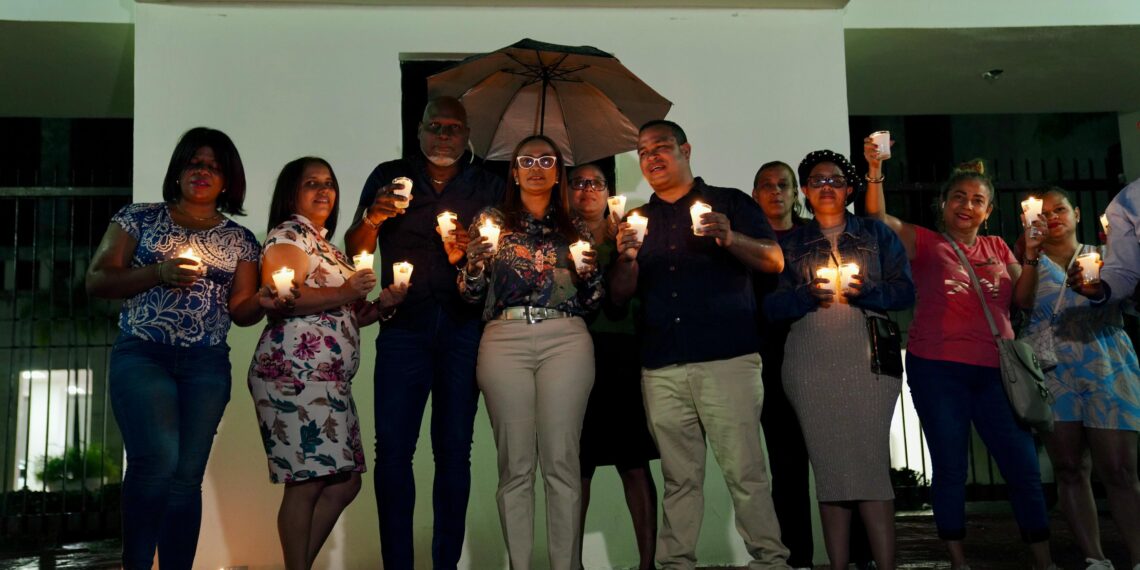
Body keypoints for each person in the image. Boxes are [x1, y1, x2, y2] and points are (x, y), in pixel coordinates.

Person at [861, 139, 1056, 570]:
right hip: (938, 371)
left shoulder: (999, 248)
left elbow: (1023, 300)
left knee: (1023, 467)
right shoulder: (925, 242)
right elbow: (877, 220)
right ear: (944, 203)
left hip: (997, 373)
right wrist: (875, 168)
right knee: (950, 466)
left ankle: (1044, 559)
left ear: (988, 211)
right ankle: (957, 559)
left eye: (977, 200)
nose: (967, 206)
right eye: (959, 197)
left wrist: (1032, 255)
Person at [609, 120, 790, 569]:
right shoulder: (637, 219)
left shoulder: (731, 203)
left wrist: (730, 237)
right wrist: (627, 258)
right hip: (662, 365)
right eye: (643, 151)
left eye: (661, 147)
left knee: (746, 471)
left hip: (728, 357)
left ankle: (770, 559)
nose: (651, 157)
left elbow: (774, 260)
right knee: (678, 478)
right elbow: (619, 297)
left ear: (685, 150)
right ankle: (676, 563)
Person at [85, 127, 264, 569]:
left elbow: (242, 310)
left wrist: (268, 299)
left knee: (186, 478)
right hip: (144, 354)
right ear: (179, 169)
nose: (203, 172)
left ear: (228, 179)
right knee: (156, 460)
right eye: (195, 162)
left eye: (214, 166)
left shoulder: (241, 239)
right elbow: (98, 280)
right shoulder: (139, 218)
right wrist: (158, 272)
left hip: (206, 363)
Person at [344, 97, 504, 569]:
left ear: (468, 134)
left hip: (463, 328)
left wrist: (475, 254)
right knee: (393, 452)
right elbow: (355, 244)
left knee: (454, 452)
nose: (443, 135)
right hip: (403, 329)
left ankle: (444, 564)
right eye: (435, 126)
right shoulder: (390, 176)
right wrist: (373, 217)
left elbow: (503, 260)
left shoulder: (489, 185)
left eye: (453, 127)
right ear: (418, 131)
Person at [248, 157, 408, 570]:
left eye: (329, 183)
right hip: (295, 376)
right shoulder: (289, 235)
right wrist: (346, 292)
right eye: (311, 183)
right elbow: (284, 298)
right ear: (291, 193)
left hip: (329, 381)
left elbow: (345, 313)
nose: (324, 191)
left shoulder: (326, 245)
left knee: (344, 482)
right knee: (307, 483)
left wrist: (382, 305)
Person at [764, 150, 915, 570]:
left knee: (870, 466)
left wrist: (870, 291)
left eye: (835, 180)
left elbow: (905, 292)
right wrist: (804, 296)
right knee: (829, 469)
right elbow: (770, 307)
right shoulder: (790, 244)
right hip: (810, 360)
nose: (826, 186)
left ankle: (884, 564)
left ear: (849, 189)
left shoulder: (876, 234)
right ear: (805, 191)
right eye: (817, 180)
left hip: (867, 358)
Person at [459, 135, 603, 570]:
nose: (536, 167)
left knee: (561, 460)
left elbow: (594, 300)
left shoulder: (575, 226)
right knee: (516, 464)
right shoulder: (491, 220)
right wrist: (473, 264)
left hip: (566, 338)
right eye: (527, 160)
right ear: (515, 171)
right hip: (505, 339)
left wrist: (589, 275)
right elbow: (470, 294)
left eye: (546, 160)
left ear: (558, 172)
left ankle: (565, 565)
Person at [1019, 187, 1140, 570]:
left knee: (1120, 469)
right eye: (1044, 212)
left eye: (1060, 209)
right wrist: (1029, 253)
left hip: (1107, 365)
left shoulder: (1106, 255)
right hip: (1054, 370)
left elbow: (1131, 298)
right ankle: (1094, 558)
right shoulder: (1027, 261)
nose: (1053, 217)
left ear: (1077, 214)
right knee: (1069, 467)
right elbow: (1018, 305)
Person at [568, 163, 659, 570]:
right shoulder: (558, 238)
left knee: (634, 460)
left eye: (596, 183)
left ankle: (647, 562)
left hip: (622, 351)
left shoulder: (628, 232)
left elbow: (631, 295)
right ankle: (571, 561)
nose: (587, 189)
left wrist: (624, 251)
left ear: (608, 193)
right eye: (578, 183)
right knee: (577, 465)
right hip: (571, 353)